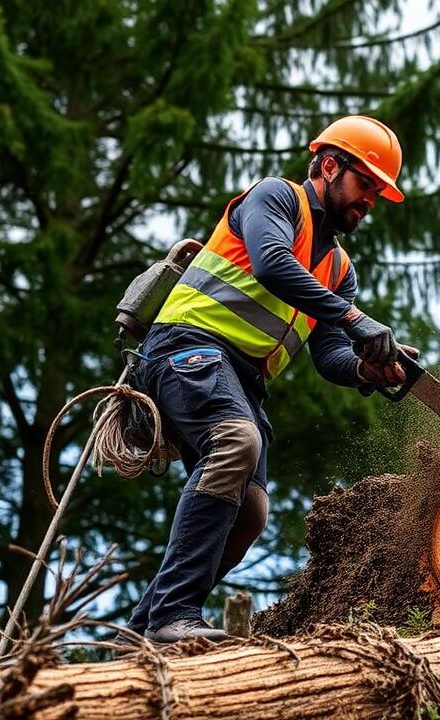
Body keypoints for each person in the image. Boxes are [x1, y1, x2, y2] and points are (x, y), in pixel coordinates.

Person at [125, 116, 416, 643]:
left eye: (378, 192)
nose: (369, 201)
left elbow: (327, 354)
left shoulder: (338, 270)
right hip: (187, 346)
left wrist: (363, 368)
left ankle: (144, 629)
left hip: (240, 379)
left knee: (251, 513)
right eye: (365, 184)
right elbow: (272, 265)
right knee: (236, 441)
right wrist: (358, 322)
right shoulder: (275, 198)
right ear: (330, 166)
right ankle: (173, 615)